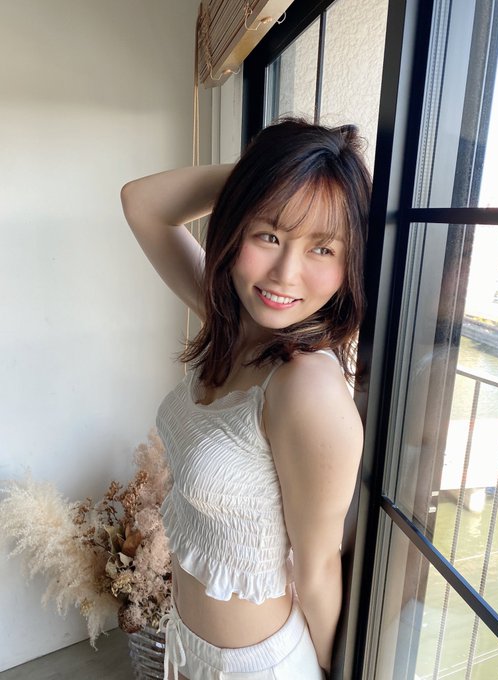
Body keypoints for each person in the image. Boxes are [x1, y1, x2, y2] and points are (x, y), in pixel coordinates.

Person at [121, 117, 371, 680]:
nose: (285, 274)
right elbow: (141, 203)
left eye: (322, 248)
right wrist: (271, 175)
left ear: (348, 264)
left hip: (259, 668)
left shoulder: (307, 386)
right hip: (188, 644)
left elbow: (318, 568)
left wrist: (327, 670)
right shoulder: (234, 325)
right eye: (270, 236)